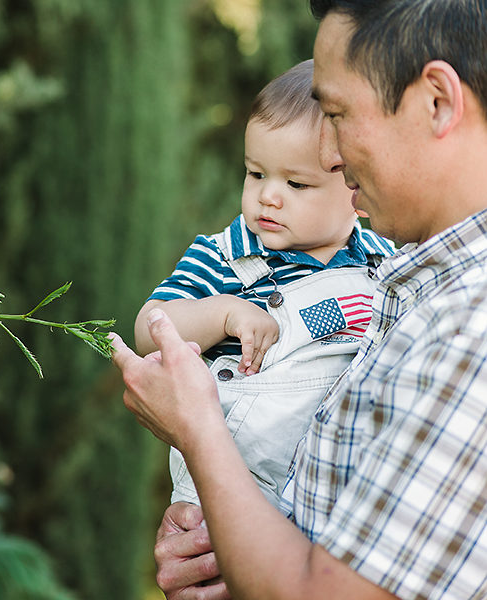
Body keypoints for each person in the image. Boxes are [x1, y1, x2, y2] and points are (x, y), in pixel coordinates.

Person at [112, 1, 487, 598]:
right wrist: (245, 559)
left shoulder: (468, 328)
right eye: (256, 174)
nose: (331, 154)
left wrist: (199, 430)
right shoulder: (416, 280)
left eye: (337, 114)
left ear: (437, 102)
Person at [135, 59, 393, 508]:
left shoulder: (383, 260)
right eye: (256, 174)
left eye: (296, 183)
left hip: (336, 489)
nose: (268, 196)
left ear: (356, 186)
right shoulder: (226, 257)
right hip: (232, 487)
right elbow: (148, 328)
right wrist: (223, 313)